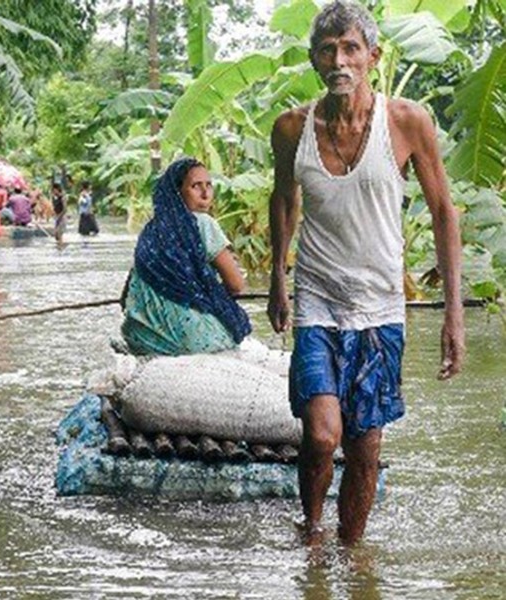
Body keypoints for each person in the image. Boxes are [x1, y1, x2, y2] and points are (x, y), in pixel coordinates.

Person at [267, 0, 465, 545]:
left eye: (351, 47)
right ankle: (311, 531)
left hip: (379, 307)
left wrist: (454, 316)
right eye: (328, 50)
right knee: (324, 436)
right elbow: (282, 201)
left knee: (366, 449)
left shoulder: (406, 122)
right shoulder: (291, 129)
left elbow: (445, 212)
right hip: (316, 302)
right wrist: (280, 279)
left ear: (373, 57)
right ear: (313, 60)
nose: (340, 60)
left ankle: (351, 555)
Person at [120, 158, 250, 356]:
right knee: (233, 329)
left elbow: (125, 297)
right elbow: (237, 285)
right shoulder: (204, 224)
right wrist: (210, 294)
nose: (206, 194)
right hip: (190, 340)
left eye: (209, 186)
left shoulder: (150, 231)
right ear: (177, 192)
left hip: (138, 336)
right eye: (196, 186)